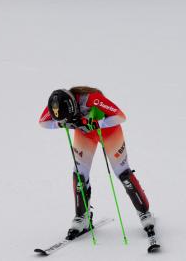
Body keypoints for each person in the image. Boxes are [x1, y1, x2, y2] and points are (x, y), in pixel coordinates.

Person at [39, 86, 160, 251]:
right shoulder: (58, 103)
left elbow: (120, 116)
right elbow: (43, 122)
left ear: (73, 105)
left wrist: (96, 123)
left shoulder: (91, 99)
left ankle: (144, 213)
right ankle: (82, 216)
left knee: (123, 174)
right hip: (84, 134)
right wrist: (65, 125)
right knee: (80, 174)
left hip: (109, 132)